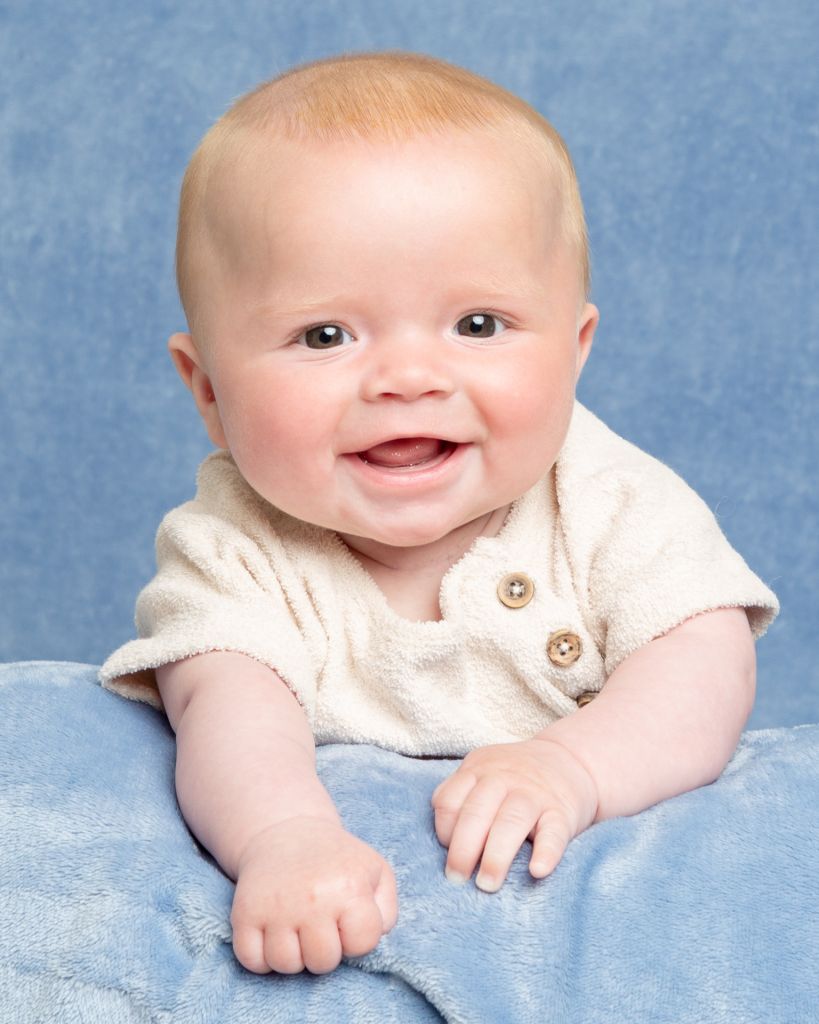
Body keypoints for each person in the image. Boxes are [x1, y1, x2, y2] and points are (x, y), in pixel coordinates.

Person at [100, 51, 778, 977]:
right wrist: (285, 839)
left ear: (574, 348)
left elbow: (702, 664)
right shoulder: (233, 546)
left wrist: (570, 769)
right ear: (208, 390)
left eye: (477, 325)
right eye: (325, 335)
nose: (409, 379)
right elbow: (228, 711)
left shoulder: (607, 494)